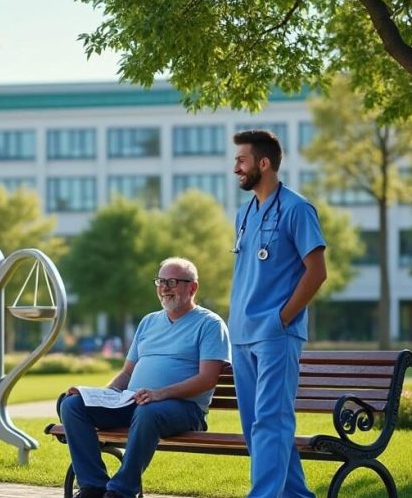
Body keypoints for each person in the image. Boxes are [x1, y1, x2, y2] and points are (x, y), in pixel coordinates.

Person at [60, 257, 230, 498]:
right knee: (72, 404)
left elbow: (207, 379)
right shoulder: (149, 322)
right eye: (160, 281)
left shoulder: (210, 324)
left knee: (148, 411)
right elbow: (128, 372)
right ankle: (93, 486)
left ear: (192, 287)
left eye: (172, 282)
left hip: (183, 409)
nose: (164, 288)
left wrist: (159, 394)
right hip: (135, 401)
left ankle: (121, 491)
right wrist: (101, 394)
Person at [229, 129, 327, 498]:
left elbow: (316, 272)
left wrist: (282, 318)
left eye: (242, 160)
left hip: (274, 334)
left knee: (272, 422)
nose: (235, 166)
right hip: (241, 335)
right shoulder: (244, 213)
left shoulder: (297, 209)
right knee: (256, 425)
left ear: (263, 163)